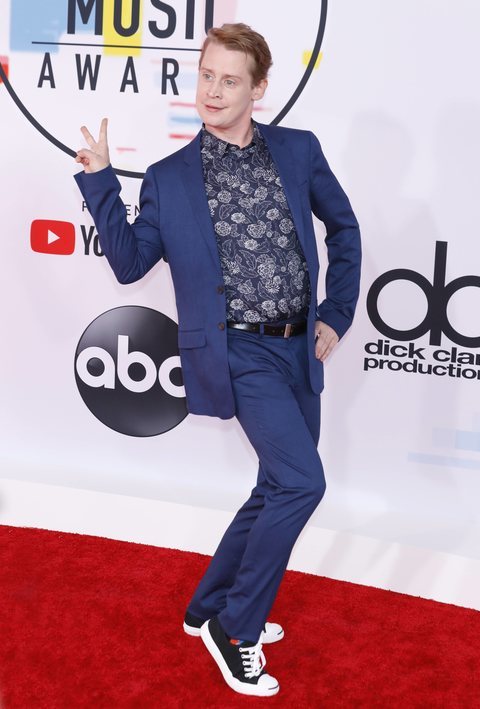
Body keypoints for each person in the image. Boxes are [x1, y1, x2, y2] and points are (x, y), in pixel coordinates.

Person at [74, 23, 361, 698]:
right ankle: (236, 629)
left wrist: (336, 314)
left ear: (258, 90)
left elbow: (344, 227)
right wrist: (99, 182)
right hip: (237, 351)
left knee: (276, 484)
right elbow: (129, 264)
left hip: (300, 347)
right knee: (302, 483)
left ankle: (206, 607)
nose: (213, 90)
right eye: (207, 75)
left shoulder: (298, 150)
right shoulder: (169, 179)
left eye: (230, 80)